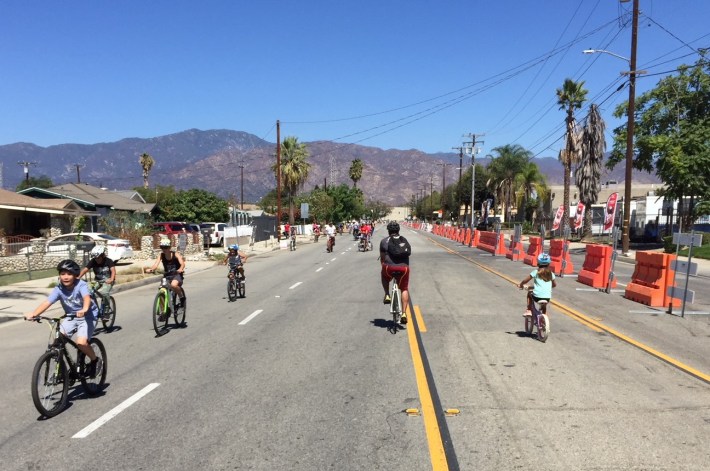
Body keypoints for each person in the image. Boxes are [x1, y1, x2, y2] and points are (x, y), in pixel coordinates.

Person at [25, 260, 102, 377]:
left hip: (88, 316)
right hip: (71, 317)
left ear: (75, 275)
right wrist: (34, 314)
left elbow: (86, 298)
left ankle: (95, 361)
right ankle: (61, 369)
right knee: (57, 342)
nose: (65, 277)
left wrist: (84, 309)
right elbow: (47, 302)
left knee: (81, 343)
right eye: (63, 274)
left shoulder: (81, 285)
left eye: (69, 274)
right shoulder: (59, 289)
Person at [380, 221, 412, 324]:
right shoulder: (403, 240)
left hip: (388, 267)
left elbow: (382, 258)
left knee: (384, 275)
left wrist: (384, 266)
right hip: (404, 269)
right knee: (404, 289)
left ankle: (387, 295)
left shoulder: (384, 241)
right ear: (398, 230)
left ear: (388, 231)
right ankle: (403, 313)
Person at [146, 237, 186, 306]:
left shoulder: (175, 254)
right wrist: (151, 269)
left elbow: (182, 263)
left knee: (173, 285)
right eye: (162, 247)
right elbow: (156, 264)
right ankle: (163, 311)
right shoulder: (161, 255)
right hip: (167, 275)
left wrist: (180, 269)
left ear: (169, 247)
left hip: (176, 274)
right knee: (161, 289)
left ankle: (181, 297)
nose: (164, 249)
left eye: (166, 247)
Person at [79, 245, 116, 314]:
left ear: (102, 256)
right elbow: (85, 269)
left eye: (98, 258)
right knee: (88, 291)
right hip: (97, 281)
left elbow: (113, 270)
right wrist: (78, 277)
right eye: (95, 258)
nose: (97, 260)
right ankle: (92, 307)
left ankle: (106, 309)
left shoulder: (108, 261)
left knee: (104, 292)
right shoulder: (93, 261)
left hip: (108, 280)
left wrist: (111, 279)